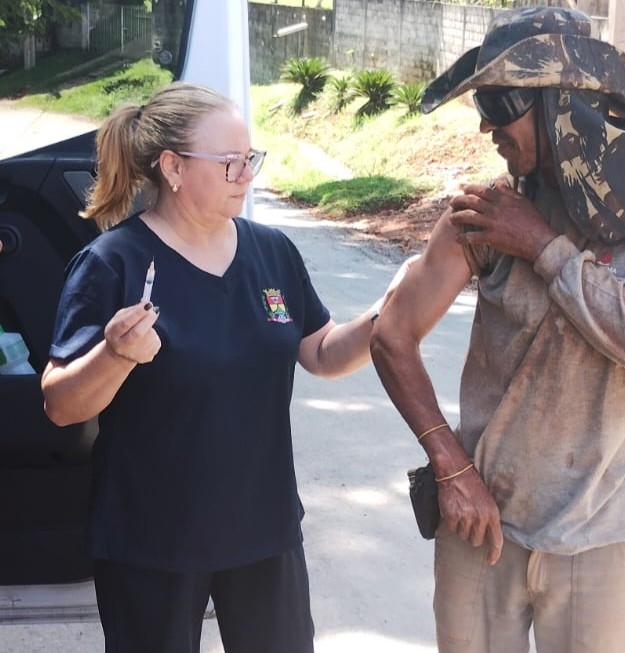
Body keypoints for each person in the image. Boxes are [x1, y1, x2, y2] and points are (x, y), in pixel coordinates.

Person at [370, 6, 625, 653]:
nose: (486, 125)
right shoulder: (489, 211)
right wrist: (450, 465)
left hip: (603, 542)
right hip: (483, 531)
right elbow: (392, 334)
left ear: (566, 103)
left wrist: (544, 246)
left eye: (504, 102)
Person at [41, 81, 411, 653]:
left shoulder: (272, 252)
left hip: (263, 529)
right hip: (152, 541)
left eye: (250, 159)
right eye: (229, 162)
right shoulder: (112, 263)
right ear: (173, 168)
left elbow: (321, 352)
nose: (246, 174)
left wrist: (388, 312)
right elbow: (61, 405)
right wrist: (114, 355)